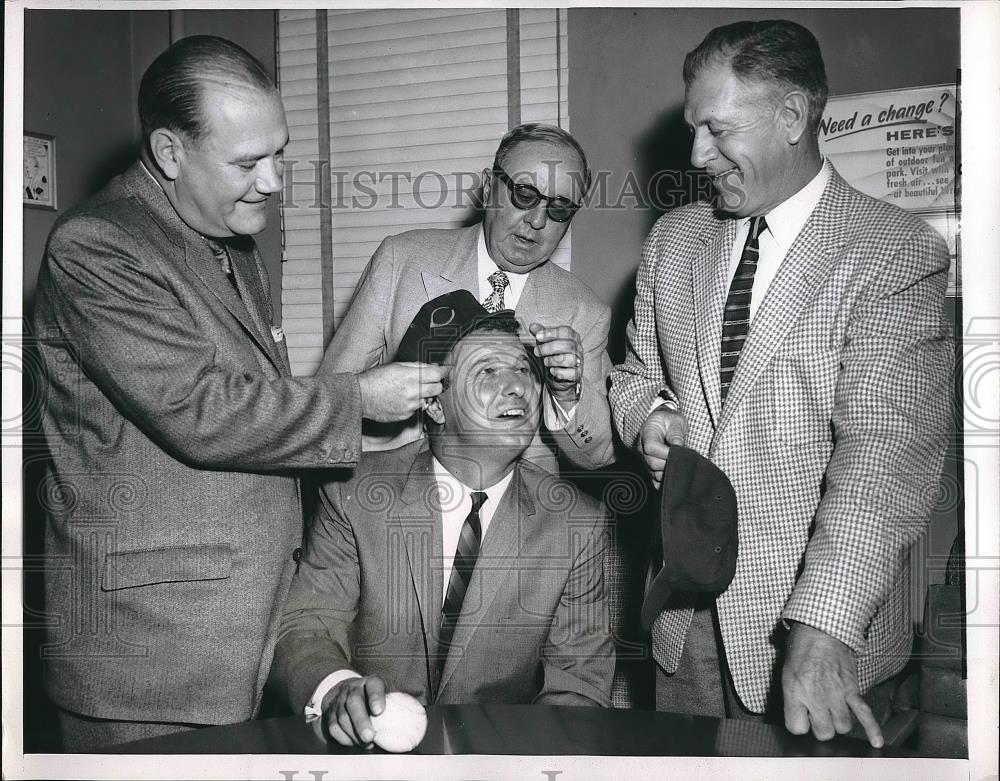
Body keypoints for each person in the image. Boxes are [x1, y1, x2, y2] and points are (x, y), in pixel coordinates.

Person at [31, 35, 446, 751]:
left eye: (278, 153)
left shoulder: (230, 242)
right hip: (154, 658)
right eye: (248, 162)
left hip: (245, 634)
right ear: (168, 153)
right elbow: (201, 409)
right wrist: (356, 400)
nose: (275, 182)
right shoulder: (96, 245)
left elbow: (260, 404)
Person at [608, 20, 952, 748]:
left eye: (717, 128)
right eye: (694, 128)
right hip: (682, 627)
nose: (698, 154)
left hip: (812, 635)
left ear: (793, 116)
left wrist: (825, 626)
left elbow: (884, 457)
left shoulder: (895, 252)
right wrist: (652, 417)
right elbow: (636, 374)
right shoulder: (674, 241)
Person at [272, 291, 614, 746]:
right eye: (488, 371)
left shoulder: (577, 523)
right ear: (434, 404)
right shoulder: (352, 495)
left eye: (523, 370)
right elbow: (308, 624)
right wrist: (336, 690)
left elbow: (578, 688)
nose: (518, 387)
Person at [318, 123, 615, 473]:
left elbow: (598, 456)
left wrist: (566, 395)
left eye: (560, 208)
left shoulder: (585, 312)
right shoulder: (402, 260)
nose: (537, 220)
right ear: (490, 188)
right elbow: (327, 403)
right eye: (524, 194)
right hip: (393, 503)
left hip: (513, 519)